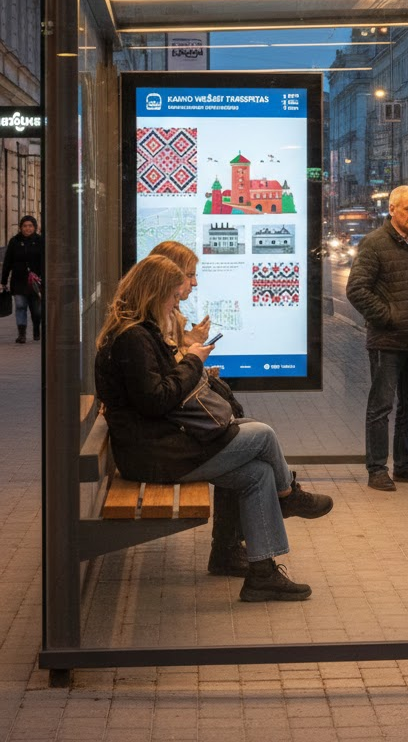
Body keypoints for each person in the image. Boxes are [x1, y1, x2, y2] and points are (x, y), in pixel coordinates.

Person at [94, 254, 333, 602]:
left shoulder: (138, 333)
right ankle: (288, 497)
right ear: (155, 293)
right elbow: (156, 400)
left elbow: (157, 395)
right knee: (263, 434)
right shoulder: (133, 338)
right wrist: (193, 360)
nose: (177, 304)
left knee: (256, 474)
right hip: (155, 453)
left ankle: (262, 574)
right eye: (174, 297)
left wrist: (191, 363)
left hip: (162, 443)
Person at [149, 240, 246, 576]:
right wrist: (193, 356)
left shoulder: (168, 316)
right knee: (247, 446)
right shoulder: (152, 323)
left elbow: (171, 372)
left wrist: (191, 350)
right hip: (166, 435)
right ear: (167, 279)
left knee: (248, 448)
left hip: (169, 425)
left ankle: (233, 547)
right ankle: (282, 496)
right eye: (188, 276)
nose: (194, 283)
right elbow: (167, 382)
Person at [346, 186, 408, 492]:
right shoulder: (374, 244)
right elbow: (357, 290)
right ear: (393, 210)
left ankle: (404, 464)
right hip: (388, 341)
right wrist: (389, 317)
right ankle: (376, 469)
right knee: (381, 406)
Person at [1, 215, 43, 343]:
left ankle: (36, 329)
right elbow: (7, 262)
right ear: (21, 228)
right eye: (25, 226)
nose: (27, 228)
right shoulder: (14, 241)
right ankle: (22, 334)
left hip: (36, 282)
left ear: (34, 227)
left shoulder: (40, 241)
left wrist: (43, 277)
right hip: (18, 281)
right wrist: (3, 281)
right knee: (20, 306)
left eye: (30, 226)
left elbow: (45, 261)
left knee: (36, 310)